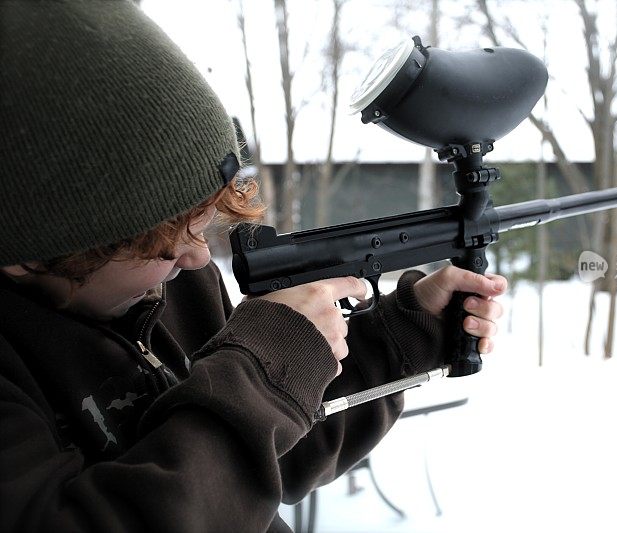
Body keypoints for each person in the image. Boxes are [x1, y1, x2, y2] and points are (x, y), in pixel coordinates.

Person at [0, 1, 506, 531]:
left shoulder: (181, 288)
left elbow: (271, 456)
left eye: (202, 222)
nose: (199, 257)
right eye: (165, 243)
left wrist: (402, 333)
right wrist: (261, 369)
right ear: (33, 256)